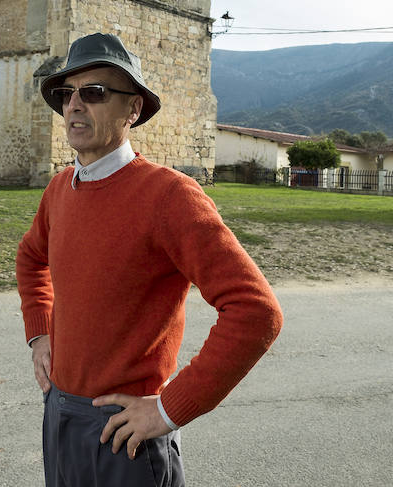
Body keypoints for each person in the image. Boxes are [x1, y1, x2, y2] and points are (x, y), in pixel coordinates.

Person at [16, 33, 283, 486]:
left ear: (133, 109)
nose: (75, 105)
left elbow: (256, 312)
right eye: (67, 94)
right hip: (59, 416)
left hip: (126, 437)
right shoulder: (60, 188)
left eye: (94, 92)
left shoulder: (169, 196)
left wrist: (167, 409)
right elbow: (30, 257)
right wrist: (39, 334)